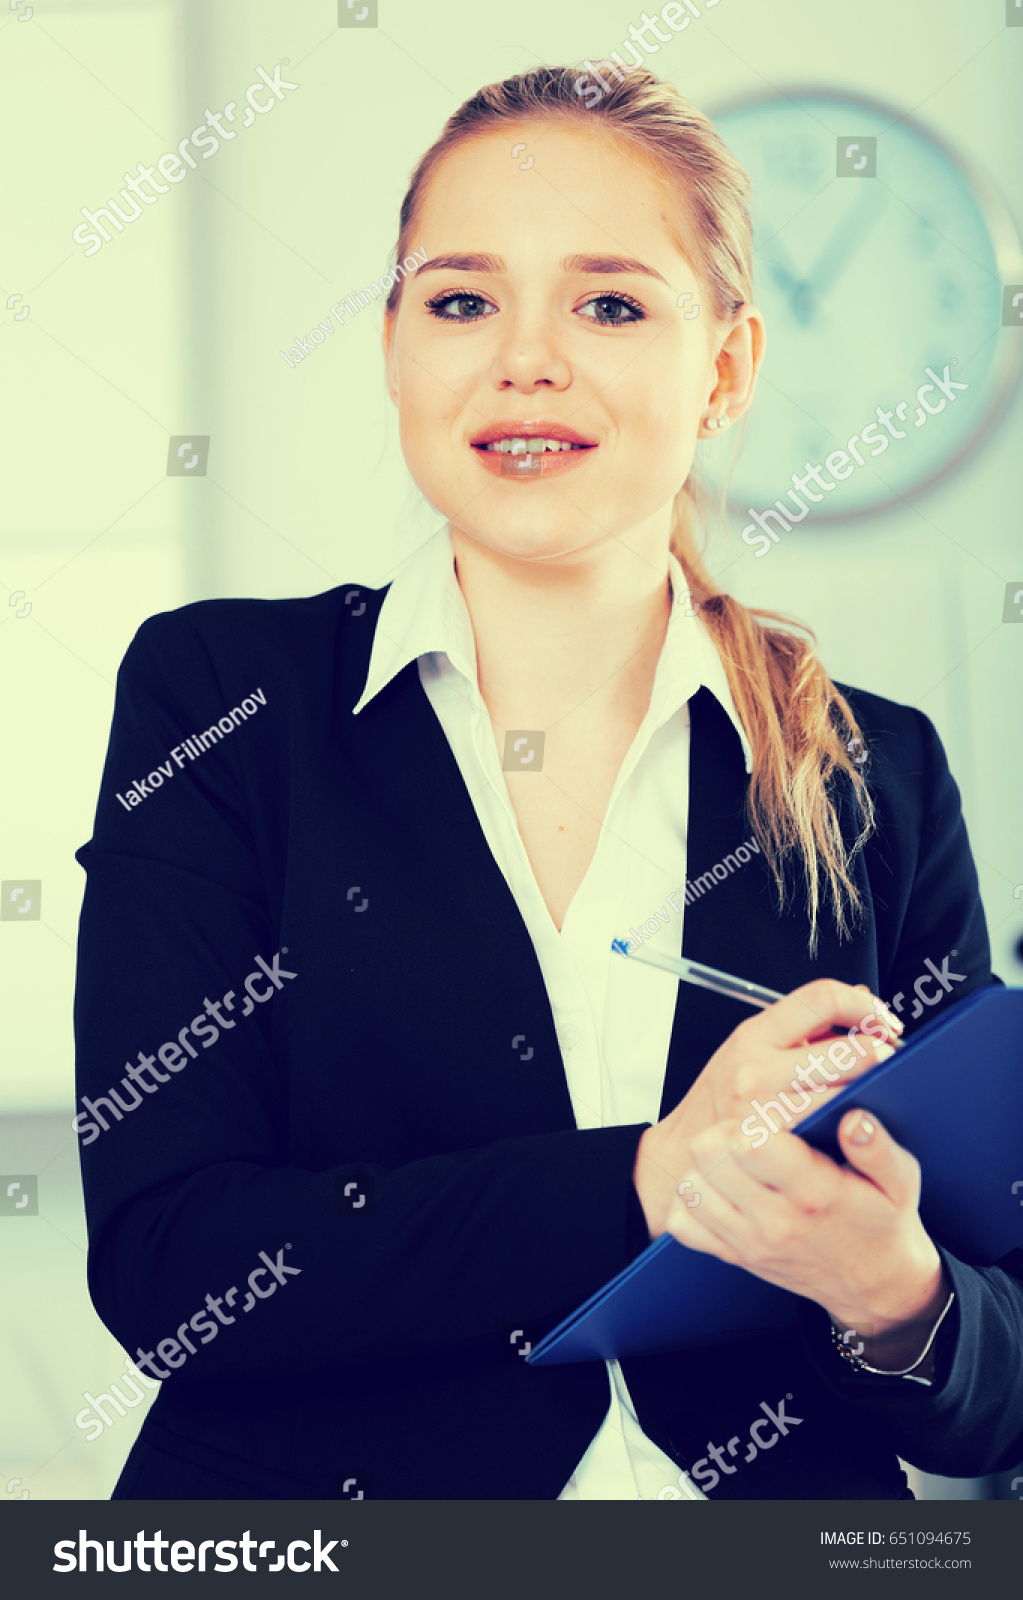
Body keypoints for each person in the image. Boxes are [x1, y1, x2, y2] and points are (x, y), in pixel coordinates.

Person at [73, 63, 1023, 1501]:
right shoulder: (222, 701)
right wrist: (652, 1178)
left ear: (727, 367)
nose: (525, 359)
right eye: (461, 300)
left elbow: (997, 1371)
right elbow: (171, 1268)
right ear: (393, 348)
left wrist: (900, 1300)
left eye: (612, 302)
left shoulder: (871, 773)